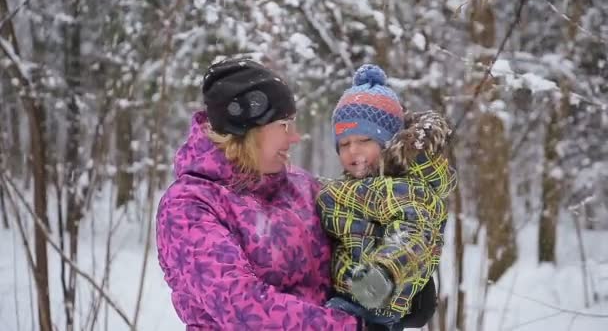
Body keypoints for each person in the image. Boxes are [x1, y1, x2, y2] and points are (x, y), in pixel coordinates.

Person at [155, 58, 361, 330]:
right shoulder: (189, 207)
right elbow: (243, 307)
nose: (295, 137)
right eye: (284, 125)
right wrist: (351, 326)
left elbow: (358, 241)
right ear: (248, 130)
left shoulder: (301, 186)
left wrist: (402, 289)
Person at [317, 64, 457, 330]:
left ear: (388, 144)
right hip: (353, 298)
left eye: (364, 140)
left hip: (371, 304)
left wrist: (384, 272)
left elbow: (413, 234)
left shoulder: (403, 189)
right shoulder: (361, 185)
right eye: (344, 144)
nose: (353, 151)